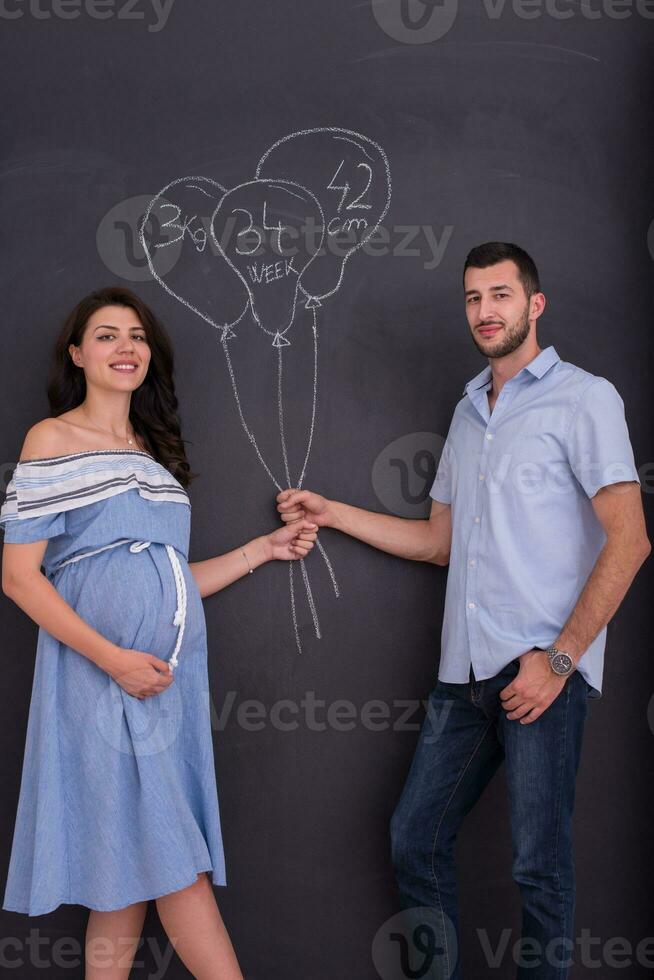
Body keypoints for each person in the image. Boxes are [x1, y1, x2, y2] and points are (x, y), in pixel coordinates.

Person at [275, 242, 651, 979]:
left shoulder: (584, 397)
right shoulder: (467, 410)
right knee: (415, 838)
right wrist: (334, 512)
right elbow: (437, 542)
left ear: (534, 305)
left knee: (538, 867)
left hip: (543, 668)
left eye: (502, 295)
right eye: (474, 297)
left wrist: (561, 659)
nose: (486, 310)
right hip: (464, 671)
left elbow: (631, 540)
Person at [0, 286, 319, 980]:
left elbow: (172, 580)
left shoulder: (154, 455)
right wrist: (115, 661)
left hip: (164, 688)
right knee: (178, 867)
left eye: (138, 336)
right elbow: (21, 578)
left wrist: (262, 550)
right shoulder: (51, 439)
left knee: (124, 875)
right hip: (103, 681)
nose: (126, 347)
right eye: (108, 335)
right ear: (78, 354)